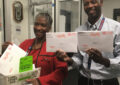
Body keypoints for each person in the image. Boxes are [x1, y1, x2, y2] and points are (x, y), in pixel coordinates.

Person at [56, 0, 120, 85]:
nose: (89, 6)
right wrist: (70, 60)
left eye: (93, 2)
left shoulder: (116, 28)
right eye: (86, 4)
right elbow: (79, 57)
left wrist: (103, 61)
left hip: (107, 82)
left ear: (101, 2)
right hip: (84, 81)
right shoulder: (79, 31)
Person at [19, 13, 68, 85]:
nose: (38, 28)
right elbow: (14, 61)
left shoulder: (55, 46)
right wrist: (6, 51)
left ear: (49, 28)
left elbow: (62, 72)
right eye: (36, 24)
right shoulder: (25, 44)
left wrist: (39, 81)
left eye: (43, 25)